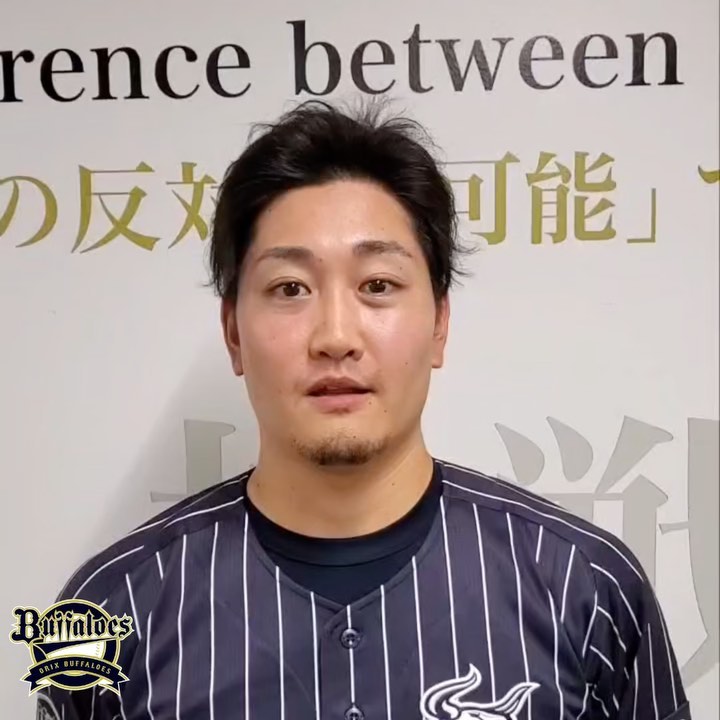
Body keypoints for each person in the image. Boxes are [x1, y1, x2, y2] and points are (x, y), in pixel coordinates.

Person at [37, 99, 691, 720]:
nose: (335, 336)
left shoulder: (586, 588)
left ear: (439, 323)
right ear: (233, 332)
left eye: (378, 285)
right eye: (290, 288)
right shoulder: (108, 609)